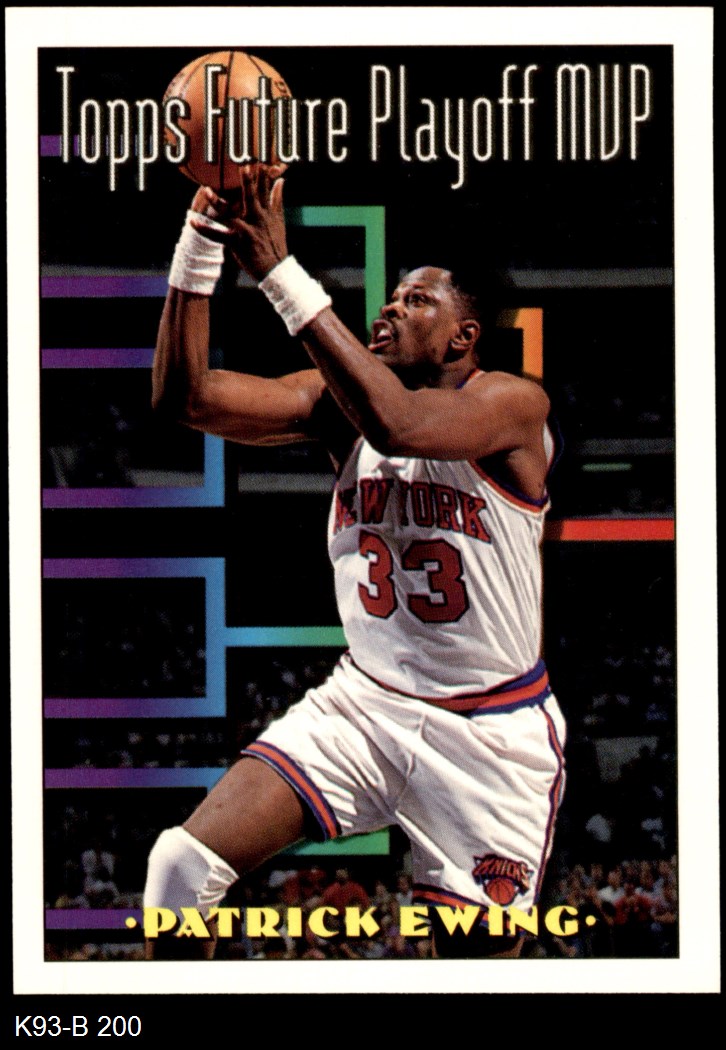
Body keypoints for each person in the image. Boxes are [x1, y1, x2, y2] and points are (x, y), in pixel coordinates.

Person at [144, 165, 566, 958]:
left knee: (477, 966)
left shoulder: (511, 405)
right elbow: (185, 398)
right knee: (180, 867)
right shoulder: (337, 406)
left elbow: (400, 424)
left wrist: (279, 270)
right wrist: (201, 238)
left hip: (489, 733)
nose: (390, 307)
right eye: (393, 295)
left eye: (418, 301)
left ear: (463, 338)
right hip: (364, 707)